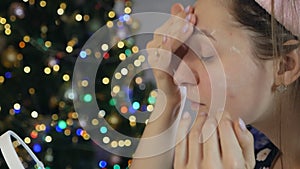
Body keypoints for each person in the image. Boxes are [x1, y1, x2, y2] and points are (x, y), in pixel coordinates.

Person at [130, 0, 300, 168]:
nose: (179, 76)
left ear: (284, 66)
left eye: (205, 54)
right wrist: (168, 98)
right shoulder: (242, 148)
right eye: (183, 49)